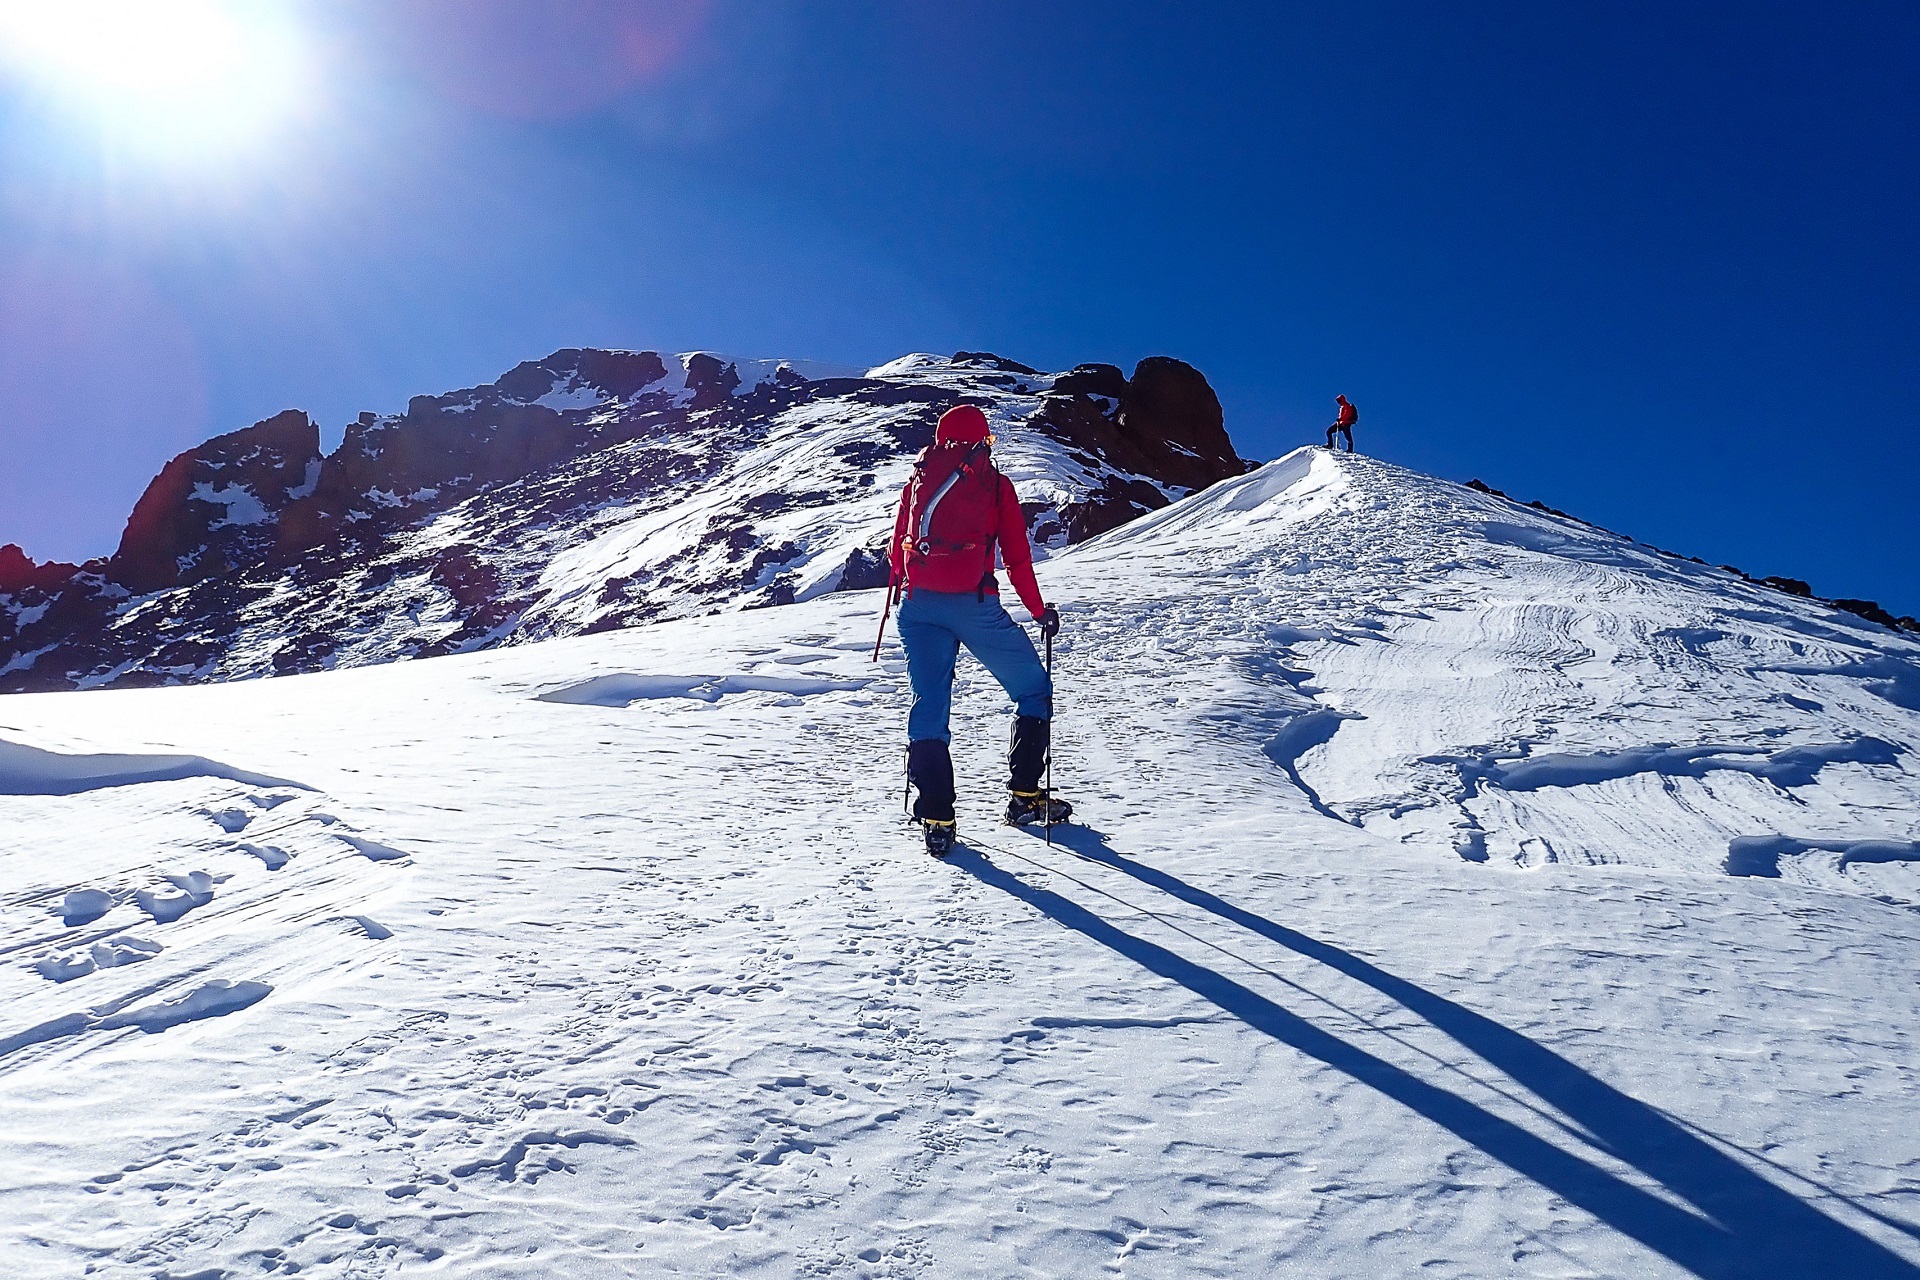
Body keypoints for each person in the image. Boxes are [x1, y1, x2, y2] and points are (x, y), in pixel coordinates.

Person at [887, 403, 1071, 856]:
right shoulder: (995, 485)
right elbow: (1017, 558)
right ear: (982, 440)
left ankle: (937, 817)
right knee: (1033, 691)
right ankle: (1025, 797)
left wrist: (907, 590)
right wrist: (1038, 610)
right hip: (974, 604)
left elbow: (898, 552)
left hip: (918, 607)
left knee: (929, 709)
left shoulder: (918, 480)